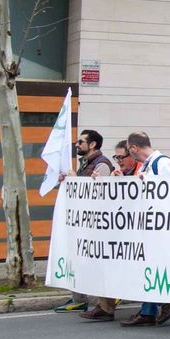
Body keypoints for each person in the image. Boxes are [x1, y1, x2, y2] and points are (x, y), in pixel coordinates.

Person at [118, 133, 170, 327]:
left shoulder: (162, 164)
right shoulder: (147, 165)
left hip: (162, 226)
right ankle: (148, 310)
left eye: (129, 150)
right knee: (147, 266)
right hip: (148, 224)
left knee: (157, 265)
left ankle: (166, 300)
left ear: (134, 148)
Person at [59, 130, 117, 317]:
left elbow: (100, 193)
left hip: (99, 226)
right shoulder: (87, 163)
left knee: (103, 266)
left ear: (92, 144)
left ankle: (106, 307)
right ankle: (89, 302)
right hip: (88, 224)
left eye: (81, 142)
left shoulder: (102, 165)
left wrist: (75, 180)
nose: (77, 144)